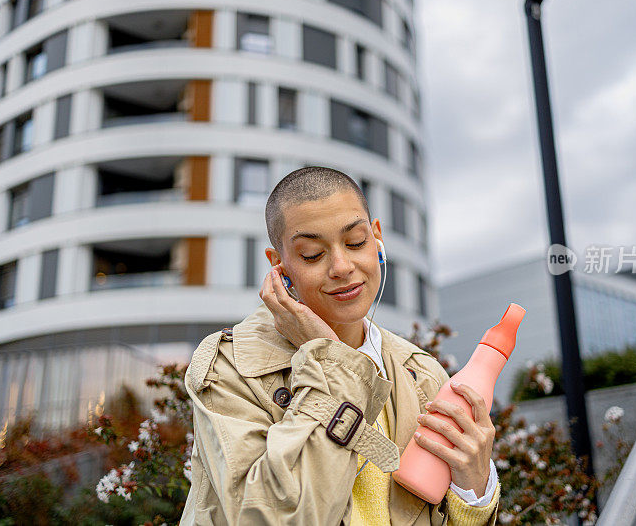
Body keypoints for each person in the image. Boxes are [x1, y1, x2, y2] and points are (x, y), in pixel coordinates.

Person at [180, 167, 500, 525]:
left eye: (356, 242)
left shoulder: (420, 370)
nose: (342, 267)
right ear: (279, 266)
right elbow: (274, 516)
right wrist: (328, 358)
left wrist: (474, 488)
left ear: (377, 238)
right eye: (313, 254)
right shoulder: (230, 367)